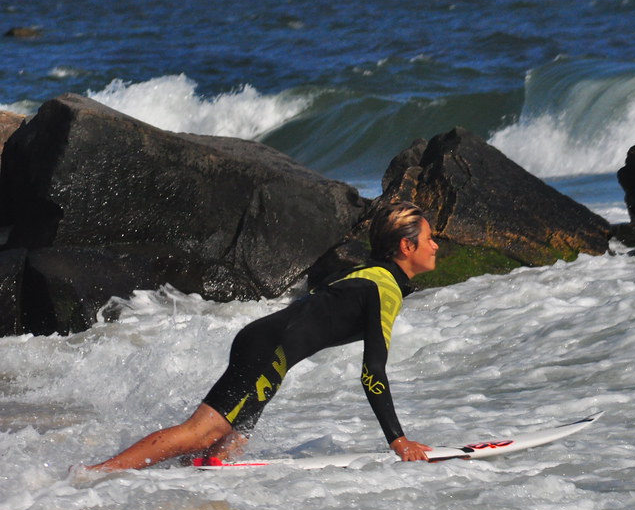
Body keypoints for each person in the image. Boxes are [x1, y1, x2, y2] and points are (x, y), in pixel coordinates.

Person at [88, 201, 439, 470]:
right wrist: (399, 441)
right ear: (406, 247)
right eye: (428, 239)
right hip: (270, 349)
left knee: (226, 448)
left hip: (266, 344)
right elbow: (372, 372)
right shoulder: (384, 288)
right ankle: (97, 474)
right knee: (202, 431)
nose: (435, 246)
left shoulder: (368, 274)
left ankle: (173, 477)